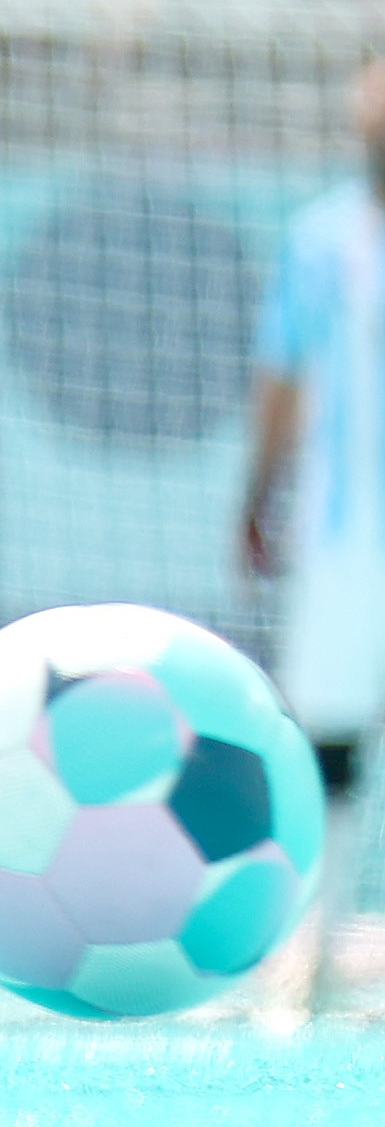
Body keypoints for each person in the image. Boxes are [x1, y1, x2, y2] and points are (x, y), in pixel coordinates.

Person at [244, 58, 385, 1008]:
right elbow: (283, 375)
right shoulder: (319, 239)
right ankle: (317, 946)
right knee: (328, 744)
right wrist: (256, 493)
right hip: (346, 541)